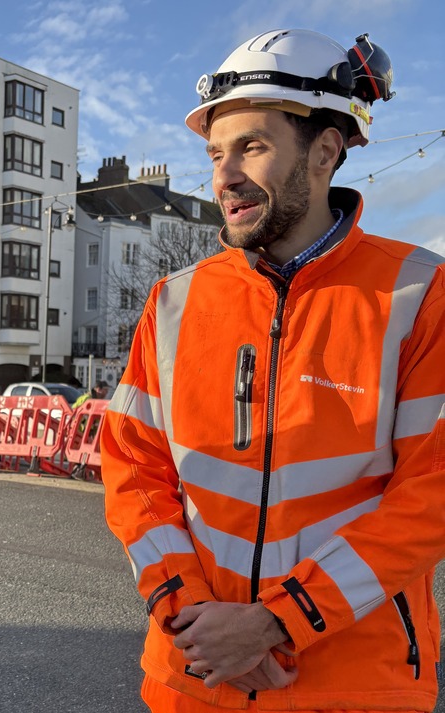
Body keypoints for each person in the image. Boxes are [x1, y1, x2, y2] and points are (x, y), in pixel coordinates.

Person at [101, 29, 445, 712]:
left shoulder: (420, 294)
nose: (223, 176)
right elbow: (132, 465)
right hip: (196, 676)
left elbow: (430, 496)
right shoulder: (173, 301)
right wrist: (191, 615)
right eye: (216, 153)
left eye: (251, 147)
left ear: (325, 151)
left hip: (348, 685)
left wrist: (277, 623)